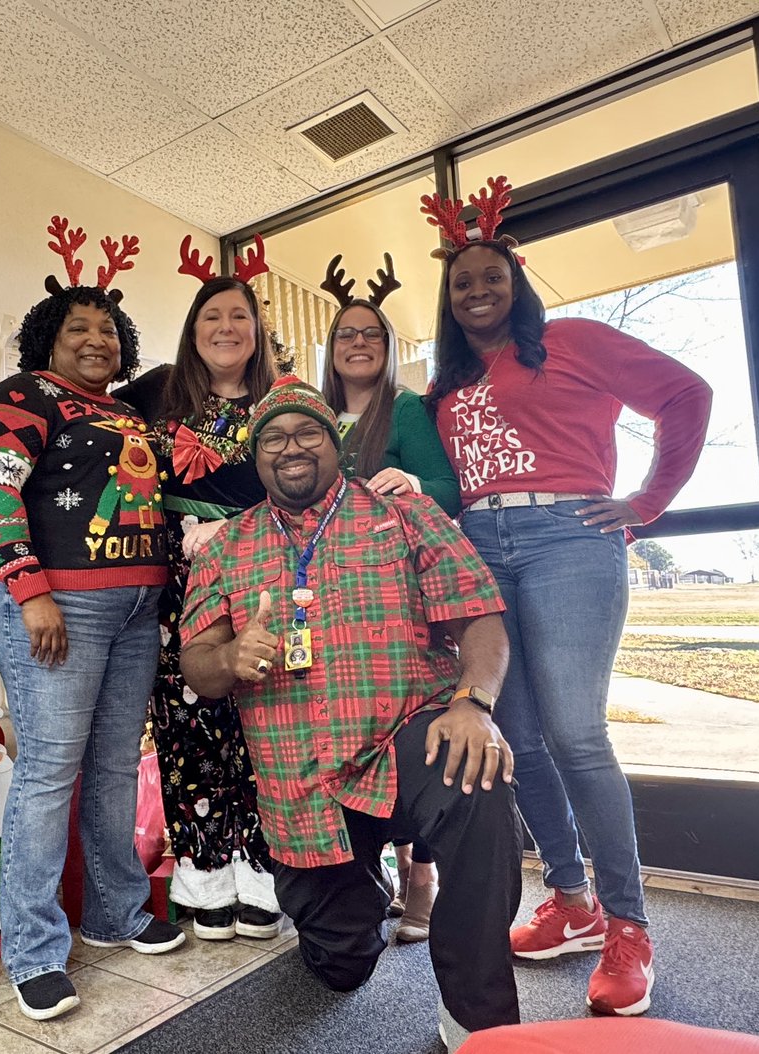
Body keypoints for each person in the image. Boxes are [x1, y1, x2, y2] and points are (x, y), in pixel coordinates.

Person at [423, 176, 712, 1017]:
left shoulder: (576, 339)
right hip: (481, 544)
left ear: (517, 284)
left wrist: (647, 502)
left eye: (493, 277)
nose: (478, 291)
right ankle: (572, 903)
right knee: (518, 738)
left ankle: (629, 927)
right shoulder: (445, 386)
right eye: (462, 282)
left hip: (568, 542)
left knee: (577, 732)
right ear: (449, 301)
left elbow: (686, 396)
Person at [178, 377, 524, 1052]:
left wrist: (475, 703)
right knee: (339, 965)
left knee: (479, 780)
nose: (291, 447)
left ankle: (479, 1021)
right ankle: (366, 892)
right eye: (273, 437)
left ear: (336, 444)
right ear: (257, 458)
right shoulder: (225, 548)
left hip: (405, 736)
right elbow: (198, 665)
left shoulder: (403, 515)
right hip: (302, 779)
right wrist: (230, 657)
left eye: (307, 431)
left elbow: (480, 613)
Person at [0, 216, 185, 1022]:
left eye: (107, 328)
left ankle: (116, 912)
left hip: (136, 607)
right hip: (59, 604)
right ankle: (31, 951)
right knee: (50, 770)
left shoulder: (128, 411)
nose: (94, 338)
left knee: (115, 769)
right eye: (76, 326)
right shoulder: (21, 395)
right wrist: (30, 590)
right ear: (47, 340)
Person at [111, 239, 281, 942]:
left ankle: (264, 872)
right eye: (212, 316)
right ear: (193, 329)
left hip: (260, 570)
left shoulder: (283, 397)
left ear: (257, 329)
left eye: (239, 317)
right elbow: (88, 421)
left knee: (263, 715)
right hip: (176, 577)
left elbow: (315, 473)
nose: (225, 329)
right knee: (187, 717)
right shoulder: (155, 391)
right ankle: (203, 873)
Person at [318, 253, 460, 943]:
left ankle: (422, 876)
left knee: (409, 723)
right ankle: (367, 876)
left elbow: (448, 489)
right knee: (353, 730)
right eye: (346, 332)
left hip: (399, 595)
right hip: (331, 602)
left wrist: (409, 480)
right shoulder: (311, 415)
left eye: (371, 332)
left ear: (387, 345)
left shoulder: (405, 408)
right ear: (332, 347)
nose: (359, 342)